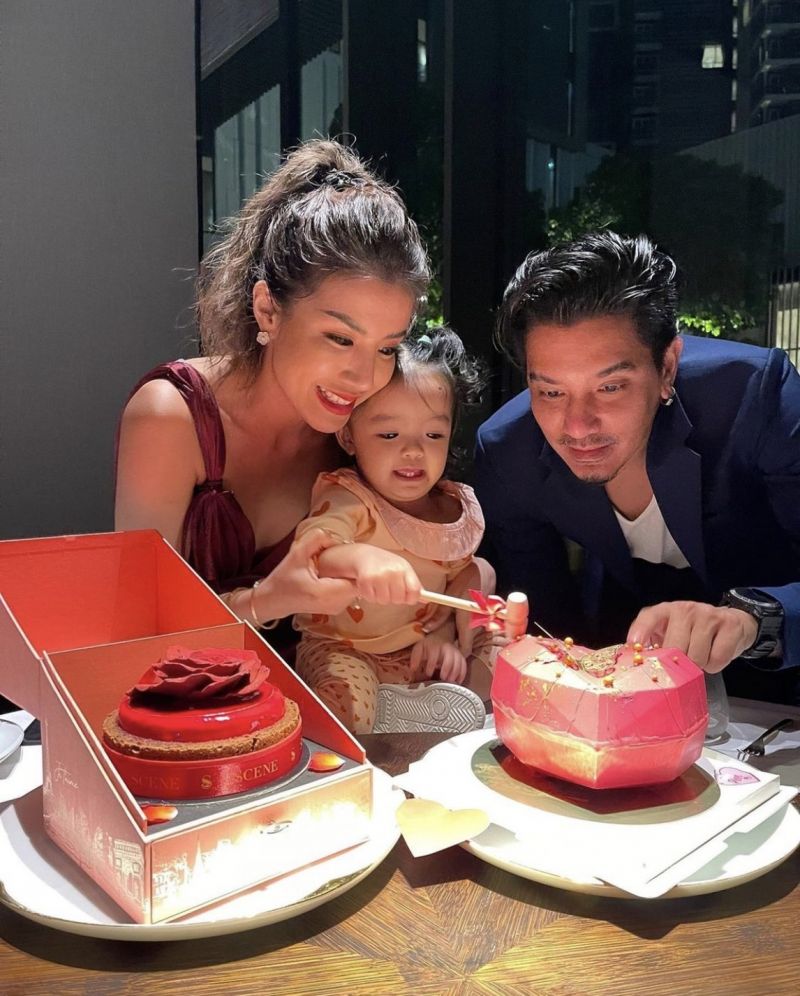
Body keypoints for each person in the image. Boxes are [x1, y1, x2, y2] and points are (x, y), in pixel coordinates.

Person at [115, 139, 430, 643]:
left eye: (387, 348)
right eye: (340, 338)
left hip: (312, 685)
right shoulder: (171, 416)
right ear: (267, 310)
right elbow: (136, 628)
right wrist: (268, 599)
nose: (362, 378)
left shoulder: (360, 430)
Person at [474, 231, 800, 704]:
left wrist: (753, 619)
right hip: (627, 666)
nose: (577, 426)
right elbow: (545, 620)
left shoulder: (754, 396)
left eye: (610, 388)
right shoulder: (510, 450)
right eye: (551, 391)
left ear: (667, 367)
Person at [293, 327, 497, 733]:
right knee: (347, 696)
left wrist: (446, 636)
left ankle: (451, 713)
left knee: (501, 645)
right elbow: (314, 551)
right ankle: (380, 720)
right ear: (348, 436)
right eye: (389, 434)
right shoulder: (349, 497)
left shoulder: (452, 509)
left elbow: (465, 577)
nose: (414, 451)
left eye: (433, 435)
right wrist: (360, 559)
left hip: (421, 650)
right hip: (345, 648)